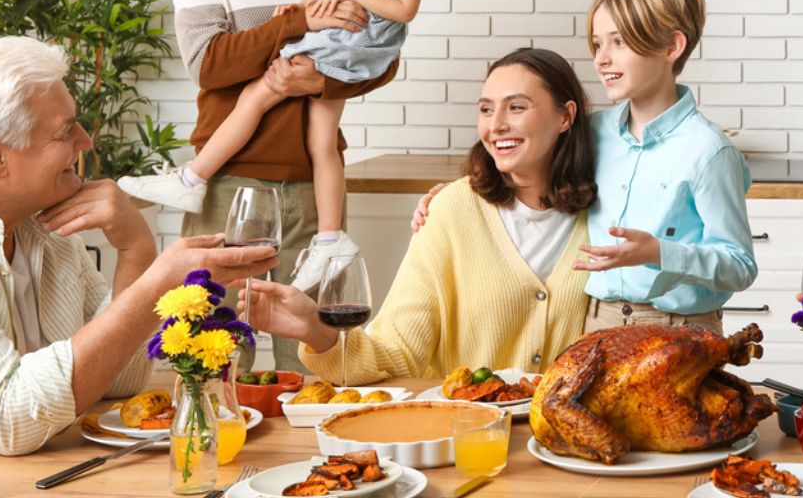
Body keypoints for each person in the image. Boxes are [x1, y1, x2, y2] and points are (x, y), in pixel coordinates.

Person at [0, 37, 276, 495]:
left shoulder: (39, 228)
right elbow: (11, 419)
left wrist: (136, 249)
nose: (86, 140)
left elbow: (120, 378)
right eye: (65, 131)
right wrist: (158, 281)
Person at [116, 0, 396, 371]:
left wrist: (318, 82)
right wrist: (298, 22)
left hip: (315, 187)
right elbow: (210, 63)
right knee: (212, 352)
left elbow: (380, 59)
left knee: (314, 354)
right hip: (228, 184)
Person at [413, 0, 757, 334]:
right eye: (597, 44)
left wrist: (659, 252)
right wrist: (452, 198)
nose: (601, 59)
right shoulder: (594, 133)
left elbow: (739, 265)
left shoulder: (708, 151)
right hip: (597, 321)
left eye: (619, 43)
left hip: (682, 328)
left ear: (672, 46)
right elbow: (526, 172)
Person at [240, 48, 597, 384]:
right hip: (473, 434)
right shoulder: (452, 211)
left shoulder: (608, 211)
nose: (496, 125)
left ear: (565, 116)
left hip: (572, 441)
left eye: (516, 107)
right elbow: (399, 351)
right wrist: (317, 331)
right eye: (486, 110)